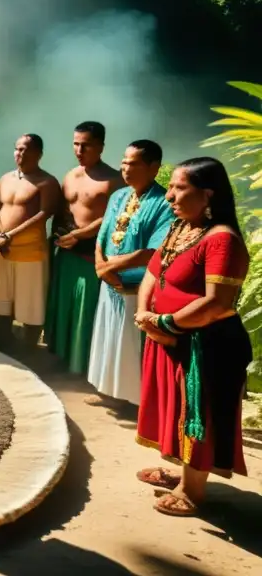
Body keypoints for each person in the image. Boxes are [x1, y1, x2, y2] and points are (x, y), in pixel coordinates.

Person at [133, 157, 253, 517]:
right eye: (169, 188)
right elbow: (153, 275)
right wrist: (146, 316)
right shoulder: (180, 227)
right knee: (175, 409)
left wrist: (164, 322)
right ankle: (180, 469)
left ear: (207, 194)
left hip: (207, 345)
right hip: (170, 335)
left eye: (178, 188)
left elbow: (216, 303)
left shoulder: (222, 241)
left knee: (198, 413)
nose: (169, 195)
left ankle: (193, 489)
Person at [86, 141, 174, 407]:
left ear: (154, 167)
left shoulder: (164, 204)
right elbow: (102, 236)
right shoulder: (118, 196)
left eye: (133, 163)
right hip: (109, 282)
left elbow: (154, 251)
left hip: (136, 286)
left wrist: (111, 267)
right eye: (124, 161)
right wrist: (101, 267)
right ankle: (108, 391)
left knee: (129, 345)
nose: (125, 168)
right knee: (108, 337)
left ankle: (134, 401)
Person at [45, 121, 124, 373]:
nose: (79, 150)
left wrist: (82, 234)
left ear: (100, 146)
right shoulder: (70, 175)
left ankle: (84, 364)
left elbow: (115, 216)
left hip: (92, 251)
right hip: (66, 248)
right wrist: (56, 239)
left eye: (86, 145)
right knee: (63, 303)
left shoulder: (114, 180)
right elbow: (61, 211)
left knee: (85, 306)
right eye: (76, 144)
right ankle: (60, 354)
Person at [0, 134, 60, 346]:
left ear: (39, 154)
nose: (21, 154)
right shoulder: (5, 179)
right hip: (4, 249)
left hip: (30, 251)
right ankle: (4, 338)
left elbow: (44, 214)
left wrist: (10, 235)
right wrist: (2, 234)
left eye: (26, 150)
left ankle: (29, 345)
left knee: (31, 302)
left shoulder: (46, 182)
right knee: (2, 300)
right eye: (18, 149)